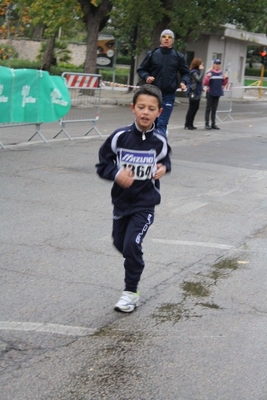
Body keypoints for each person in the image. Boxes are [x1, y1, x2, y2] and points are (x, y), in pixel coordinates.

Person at [95, 84, 171, 313]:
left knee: (131, 244)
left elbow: (166, 161)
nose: (145, 112)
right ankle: (134, 262)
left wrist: (163, 169)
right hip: (121, 202)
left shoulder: (160, 140)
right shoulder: (119, 137)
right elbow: (102, 165)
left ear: (159, 112)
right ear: (133, 108)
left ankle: (130, 291)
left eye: (151, 108)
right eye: (141, 107)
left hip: (145, 203)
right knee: (121, 244)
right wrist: (117, 174)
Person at [137, 29, 190, 136]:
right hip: (153, 94)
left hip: (168, 95)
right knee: (152, 123)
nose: (166, 39)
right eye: (164, 36)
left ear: (173, 41)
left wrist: (184, 82)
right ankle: (150, 146)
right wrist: (147, 77)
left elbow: (186, 73)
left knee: (162, 123)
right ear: (160, 39)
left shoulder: (178, 56)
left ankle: (160, 148)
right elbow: (141, 70)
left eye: (169, 37)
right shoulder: (152, 54)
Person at [203, 59, 229, 130]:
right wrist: (208, 77)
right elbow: (205, 83)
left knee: (214, 109)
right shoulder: (210, 72)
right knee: (208, 108)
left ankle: (213, 124)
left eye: (219, 64)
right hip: (210, 92)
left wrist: (226, 78)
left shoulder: (221, 73)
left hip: (217, 93)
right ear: (213, 65)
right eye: (216, 64)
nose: (217, 65)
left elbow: (223, 83)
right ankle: (206, 124)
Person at [184, 58, 205, 130]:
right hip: (193, 92)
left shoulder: (196, 72)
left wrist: (201, 88)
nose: (202, 65)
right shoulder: (194, 72)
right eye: (201, 63)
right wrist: (202, 70)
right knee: (192, 108)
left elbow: (198, 82)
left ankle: (191, 123)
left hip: (197, 91)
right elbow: (198, 79)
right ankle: (188, 124)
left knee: (196, 108)